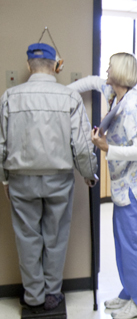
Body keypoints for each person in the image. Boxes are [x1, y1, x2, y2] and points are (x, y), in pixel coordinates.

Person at [0, 42, 98, 312]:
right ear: (56, 66)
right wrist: (90, 174)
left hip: (21, 179)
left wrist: (5, 179)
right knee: (55, 237)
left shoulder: (10, 96)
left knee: (27, 238)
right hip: (59, 179)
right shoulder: (69, 97)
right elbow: (81, 145)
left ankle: (33, 296)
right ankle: (53, 295)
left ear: (29, 64)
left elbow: (1, 144)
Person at [68, 53, 137, 319]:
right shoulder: (115, 94)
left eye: (109, 66)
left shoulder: (132, 106)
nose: (105, 70)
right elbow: (92, 82)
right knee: (123, 244)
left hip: (135, 187)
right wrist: (61, 93)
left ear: (119, 73)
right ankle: (129, 293)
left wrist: (107, 148)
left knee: (134, 245)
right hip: (124, 185)